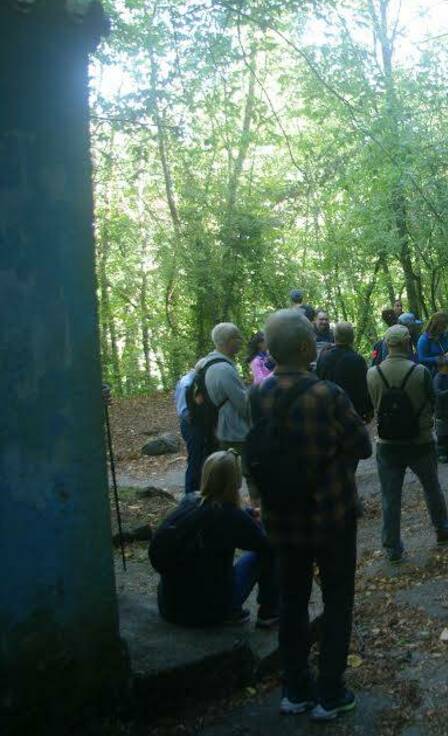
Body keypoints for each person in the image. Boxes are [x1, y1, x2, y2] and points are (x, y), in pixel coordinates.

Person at [249, 309, 372, 720]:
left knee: (291, 600)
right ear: (306, 348)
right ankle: (330, 693)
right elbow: (363, 445)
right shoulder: (328, 395)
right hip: (330, 515)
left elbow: (257, 450)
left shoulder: (258, 394)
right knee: (337, 601)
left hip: (282, 519)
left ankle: (295, 688)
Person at [149, 450, 279, 629]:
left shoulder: (190, 500)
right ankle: (269, 612)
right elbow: (266, 544)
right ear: (236, 481)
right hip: (208, 612)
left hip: (169, 607)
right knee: (267, 551)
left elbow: (226, 514)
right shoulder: (229, 517)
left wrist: (247, 514)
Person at [366, 325, 448, 564]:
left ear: (387, 344)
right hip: (420, 441)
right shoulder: (420, 372)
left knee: (390, 497)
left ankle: (392, 548)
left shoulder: (372, 373)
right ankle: (442, 530)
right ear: (408, 343)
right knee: (431, 488)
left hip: (387, 445)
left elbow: (372, 405)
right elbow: (432, 400)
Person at [195, 323, 253, 498]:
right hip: (234, 430)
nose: (241, 341)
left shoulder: (209, 362)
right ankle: (252, 509)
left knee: (231, 474)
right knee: (246, 473)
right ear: (228, 341)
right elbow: (243, 404)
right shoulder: (224, 369)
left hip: (223, 427)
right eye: (237, 338)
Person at [316, 322, 374, 423]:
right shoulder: (357, 360)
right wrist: (368, 409)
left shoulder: (323, 357)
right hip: (352, 413)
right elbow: (363, 388)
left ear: (335, 336)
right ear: (352, 338)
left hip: (328, 411)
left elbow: (318, 381)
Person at [173, 367, 205, 494]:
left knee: (198, 459)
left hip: (191, 424)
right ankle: (190, 493)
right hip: (191, 425)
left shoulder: (187, 381)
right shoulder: (187, 383)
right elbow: (184, 411)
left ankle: (196, 491)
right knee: (195, 460)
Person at [417, 311, 448, 375]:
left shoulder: (446, 335)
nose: (446, 328)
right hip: (432, 374)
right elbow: (422, 359)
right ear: (436, 326)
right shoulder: (424, 339)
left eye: (447, 325)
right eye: (444, 326)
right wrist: (441, 358)